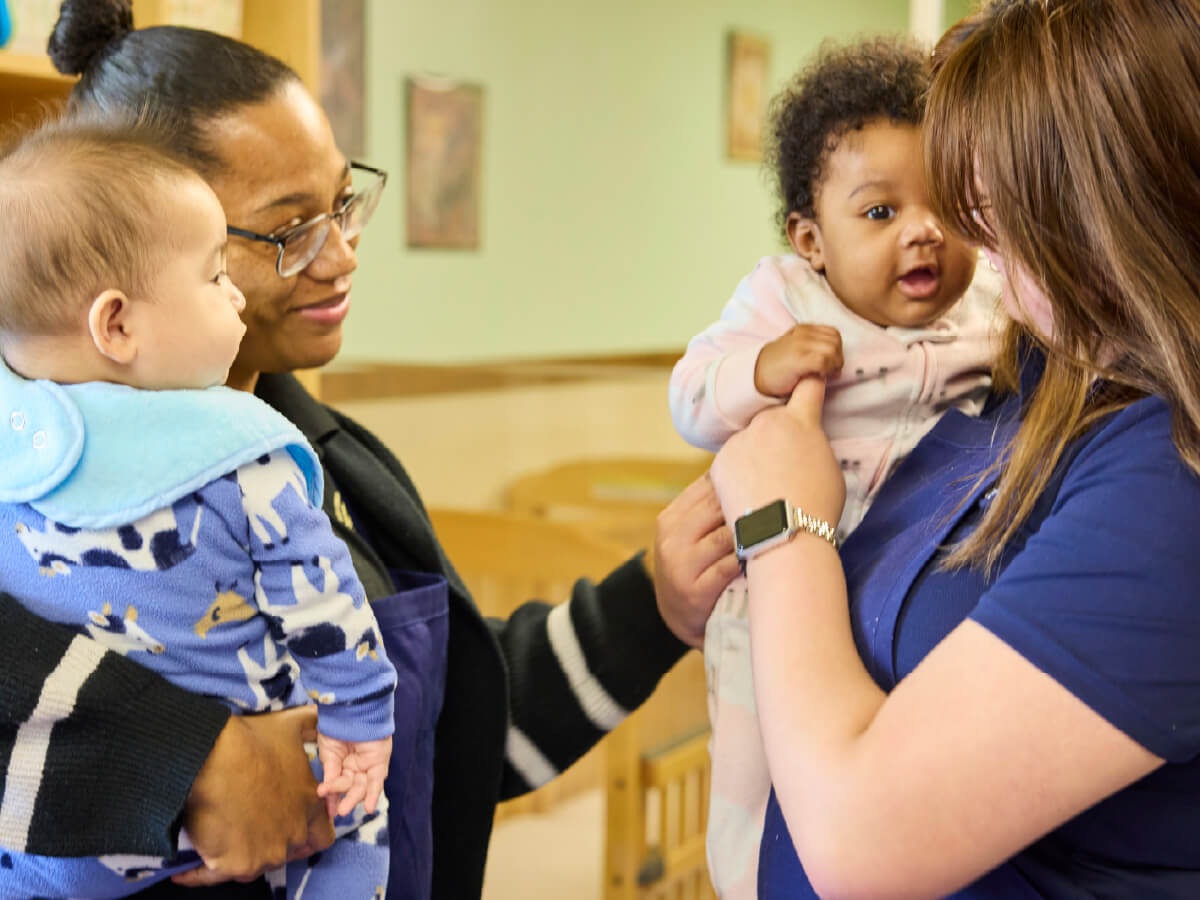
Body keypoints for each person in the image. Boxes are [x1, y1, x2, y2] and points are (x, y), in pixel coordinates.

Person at [0, 1, 739, 897]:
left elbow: (449, 730)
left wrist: (654, 603)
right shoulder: (29, 478)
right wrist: (189, 761)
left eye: (343, 204)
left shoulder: (324, 463)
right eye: (288, 229)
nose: (342, 255)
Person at [704, 0, 1200, 896]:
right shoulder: (1047, 370)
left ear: (1108, 214)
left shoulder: (1173, 483)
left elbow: (862, 840)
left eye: (1001, 214)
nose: (977, 245)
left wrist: (778, 530)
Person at [0, 119, 401, 899]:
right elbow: (326, 608)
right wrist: (361, 721)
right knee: (356, 809)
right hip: (259, 793)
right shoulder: (240, 454)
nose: (235, 294)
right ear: (117, 323)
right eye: (216, 275)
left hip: (64, 828)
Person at [668, 35, 1000, 898]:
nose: (924, 231)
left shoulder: (990, 308)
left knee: (884, 768)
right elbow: (689, 396)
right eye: (880, 213)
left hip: (904, 586)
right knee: (756, 771)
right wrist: (760, 369)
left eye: (947, 203)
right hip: (776, 589)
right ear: (811, 239)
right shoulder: (784, 299)